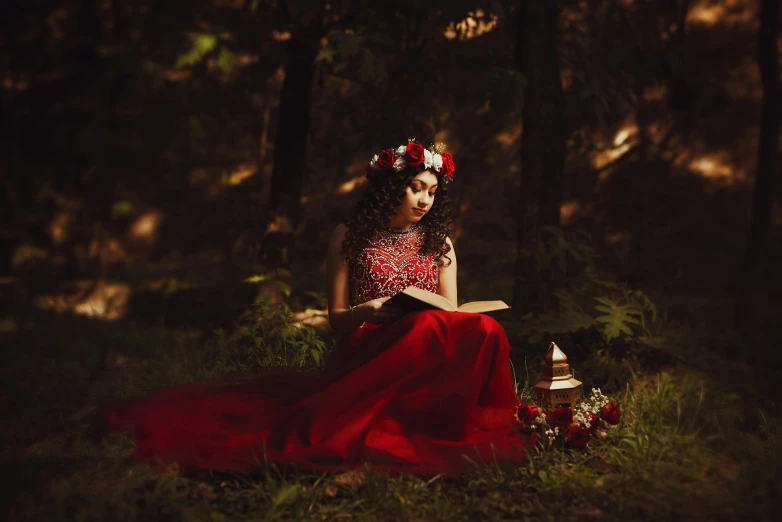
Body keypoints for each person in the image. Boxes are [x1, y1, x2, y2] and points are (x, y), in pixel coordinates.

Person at [101, 139, 531, 476]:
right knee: (425, 329)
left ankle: (454, 415)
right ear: (390, 186)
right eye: (415, 187)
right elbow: (336, 319)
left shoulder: (441, 244)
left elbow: (450, 313)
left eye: (432, 193)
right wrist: (367, 312)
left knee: (485, 330)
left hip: (427, 347)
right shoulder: (349, 236)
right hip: (369, 348)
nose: (424, 200)